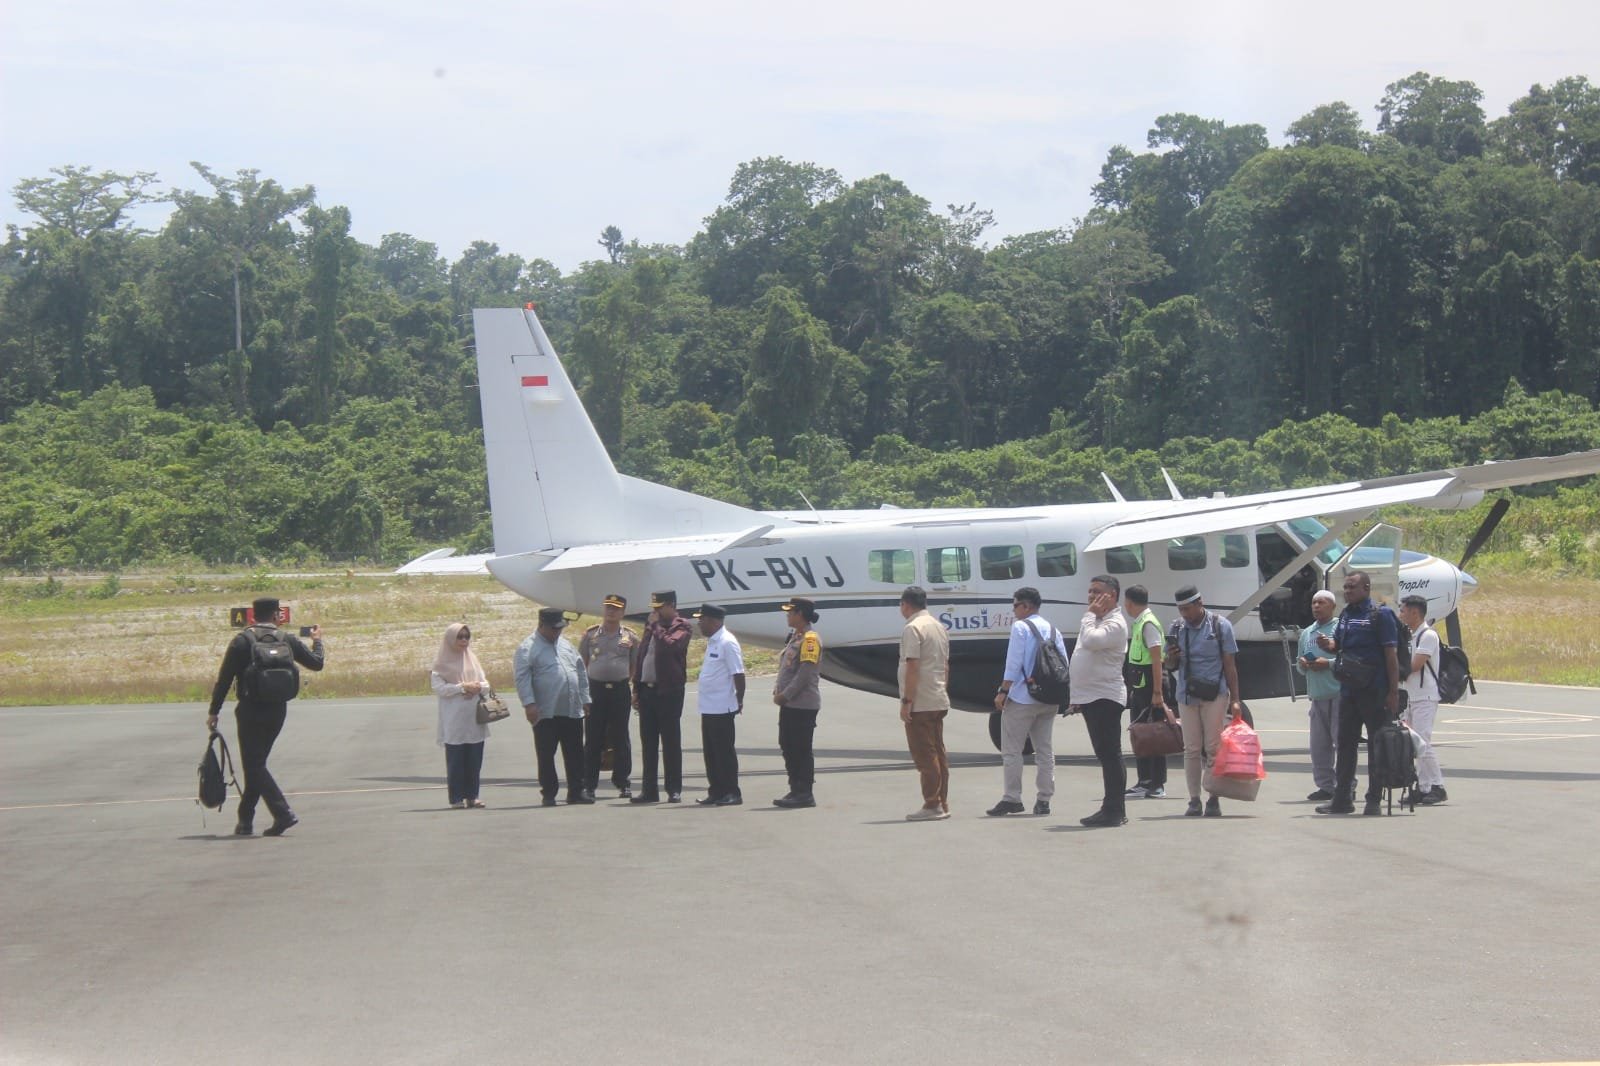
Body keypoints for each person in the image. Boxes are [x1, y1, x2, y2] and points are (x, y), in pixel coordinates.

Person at [205, 596, 325, 836]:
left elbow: (225, 679)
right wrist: (317, 641)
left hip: (250, 710)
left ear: (252, 616)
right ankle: (245, 821)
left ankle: (282, 813)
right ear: (276, 616)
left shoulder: (242, 641)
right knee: (256, 764)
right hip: (277, 710)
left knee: (254, 764)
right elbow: (317, 663)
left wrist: (214, 710)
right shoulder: (287, 639)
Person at [1315, 572, 1401, 817]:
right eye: (1345, 587)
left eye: (1352, 587)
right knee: (1345, 744)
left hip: (1375, 691)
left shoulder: (1380, 615)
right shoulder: (1345, 615)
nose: (1347, 591)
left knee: (1376, 746)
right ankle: (1342, 798)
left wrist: (1393, 691)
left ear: (1366, 587)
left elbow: (1391, 656)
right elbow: (1339, 646)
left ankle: (1373, 799)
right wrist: (1328, 645)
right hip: (1348, 691)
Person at [1165, 585, 1243, 818]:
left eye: (1188, 609)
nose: (1185, 615)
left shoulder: (1220, 626)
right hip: (1187, 694)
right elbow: (1169, 666)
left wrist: (1236, 699)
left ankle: (1213, 797)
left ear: (1200, 603)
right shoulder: (1176, 628)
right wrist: (1171, 657)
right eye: (1181, 610)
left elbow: (1230, 665)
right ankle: (1194, 799)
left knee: (1212, 747)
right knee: (1191, 748)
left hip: (1215, 693)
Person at [990, 586, 1067, 817]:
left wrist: (1003, 690)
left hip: (1023, 698)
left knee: (1012, 750)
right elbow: (1064, 665)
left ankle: (1012, 798)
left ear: (1026, 606)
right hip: (1049, 699)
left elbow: (1013, 662)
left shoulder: (1021, 627)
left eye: (1015, 605)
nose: (1013, 611)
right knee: (1044, 750)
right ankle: (1044, 799)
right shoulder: (1054, 630)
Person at [514, 606, 592, 807]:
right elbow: (522, 679)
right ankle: (549, 793)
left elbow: (580, 671)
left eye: (560, 628)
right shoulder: (527, 648)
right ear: (542, 626)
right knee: (547, 753)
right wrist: (529, 704)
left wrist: (585, 698)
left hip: (571, 707)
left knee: (575, 752)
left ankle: (576, 791)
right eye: (554, 628)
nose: (558, 632)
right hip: (545, 711)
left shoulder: (565, 645)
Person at [1070, 575, 1132, 827]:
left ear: (1112, 596)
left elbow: (1091, 642)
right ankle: (1111, 807)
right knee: (1105, 754)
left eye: (1097, 592)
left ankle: (1114, 810)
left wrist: (1088, 615)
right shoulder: (1097, 620)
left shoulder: (1115, 622)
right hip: (1091, 696)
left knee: (1110, 754)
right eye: (1089, 592)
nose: (1092, 597)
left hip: (1104, 695)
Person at [631, 590, 693, 804]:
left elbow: (671, 647)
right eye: (654, 608)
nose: (655, 612)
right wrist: (636, 689)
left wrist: (656, 626)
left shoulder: (682, 626)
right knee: (648, 742)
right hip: (648, 690)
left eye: (659, 608)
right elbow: (641, 657)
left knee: (670, 741)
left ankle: (673, 789)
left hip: (669, 691)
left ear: (671, 605)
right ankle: (649, 790)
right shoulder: (650, 629)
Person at [898, 586, 951, 821]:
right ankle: (942, 801)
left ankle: (932, 804)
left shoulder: (913, 627)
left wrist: (907, 701)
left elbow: (912, 666)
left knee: (924, 755)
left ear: (906, 604)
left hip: (920, 700)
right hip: (938, 696)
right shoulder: (938, 626)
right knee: (938, 752)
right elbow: (946, 665)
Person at [579, 594, 638, 800]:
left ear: (622, 612)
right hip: (595, 690)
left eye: (616, 609)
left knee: (621, 737)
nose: (611, 612)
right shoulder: (590, 635)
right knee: (593, 737)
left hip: (619, 691)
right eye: (608, 608)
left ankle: (622, 781)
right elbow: (582, 664)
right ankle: (589, 783)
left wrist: (627, 681)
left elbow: (634, 665)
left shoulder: (630, 637)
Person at [430, 622, 491, 809]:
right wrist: (461, 687)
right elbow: (439, 688)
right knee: (456, 761)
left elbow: (486, 683)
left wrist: (477, 687)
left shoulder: (472, 659)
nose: (464, 640)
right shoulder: (440, 664)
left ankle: (473, 796)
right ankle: (456, 797)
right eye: (460, 637)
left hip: (474, 718)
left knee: (474, 759)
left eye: (466, 637)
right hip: (454, 719)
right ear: (450, 639)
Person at [1123, 584, 1175, 800]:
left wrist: (1157, 693)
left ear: (1129, 602)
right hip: (1140, 686)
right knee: (1141, 735)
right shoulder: (1140, 623)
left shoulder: (1148, 624)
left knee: (1154, 735)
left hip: (1150, 688)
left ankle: (1157, 783)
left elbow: (1156, 659)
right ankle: (1144, 781)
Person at [772, 597, 823, 809]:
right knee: (788, 745)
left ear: (800, 614)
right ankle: (795, 788)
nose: (787, 615)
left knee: (801, 748)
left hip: (802, 704)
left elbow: (805, 674)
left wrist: (785, 695)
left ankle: (804, 792)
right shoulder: (795, 637)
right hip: (790, 704)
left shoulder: (810, 640)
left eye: (790, 612)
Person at [1398, 594, 1448, 806]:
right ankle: (1424, 786)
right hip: (1411, 697)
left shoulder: (1427, 635)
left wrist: (1394, 671)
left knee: (1423, 742)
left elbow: (1415, 666)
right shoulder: (1411, 635)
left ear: (1414, 612)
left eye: (1403, 610)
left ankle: (1437, 786)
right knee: (1414, 744)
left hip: (1425, 697)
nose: (1401, 614)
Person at [693, 604, 745, 806]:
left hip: (722, 707)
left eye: (702, 619)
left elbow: (738, 674)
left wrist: (738, 699)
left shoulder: (727, 642)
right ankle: (716, 791)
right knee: (711, 753)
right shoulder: (713, 642)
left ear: (714, 621)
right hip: (708, 706)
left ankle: (732, 792)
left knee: (724, 753)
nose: (699, 623)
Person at [1296, 590, 1342, 802]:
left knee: (1342, 743)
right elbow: (1299, 665)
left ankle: (1345, 784)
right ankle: (1325, 786)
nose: (1316, 606)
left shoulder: (1340, 628)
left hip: (1339, 694)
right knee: (1319, 745)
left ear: (1332, 606)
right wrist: (1304, 665)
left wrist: (1328, 664)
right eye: (1313, 602)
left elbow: (1348, 659)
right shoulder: (1307, 633)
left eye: (1321, 603)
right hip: (1317, 695)